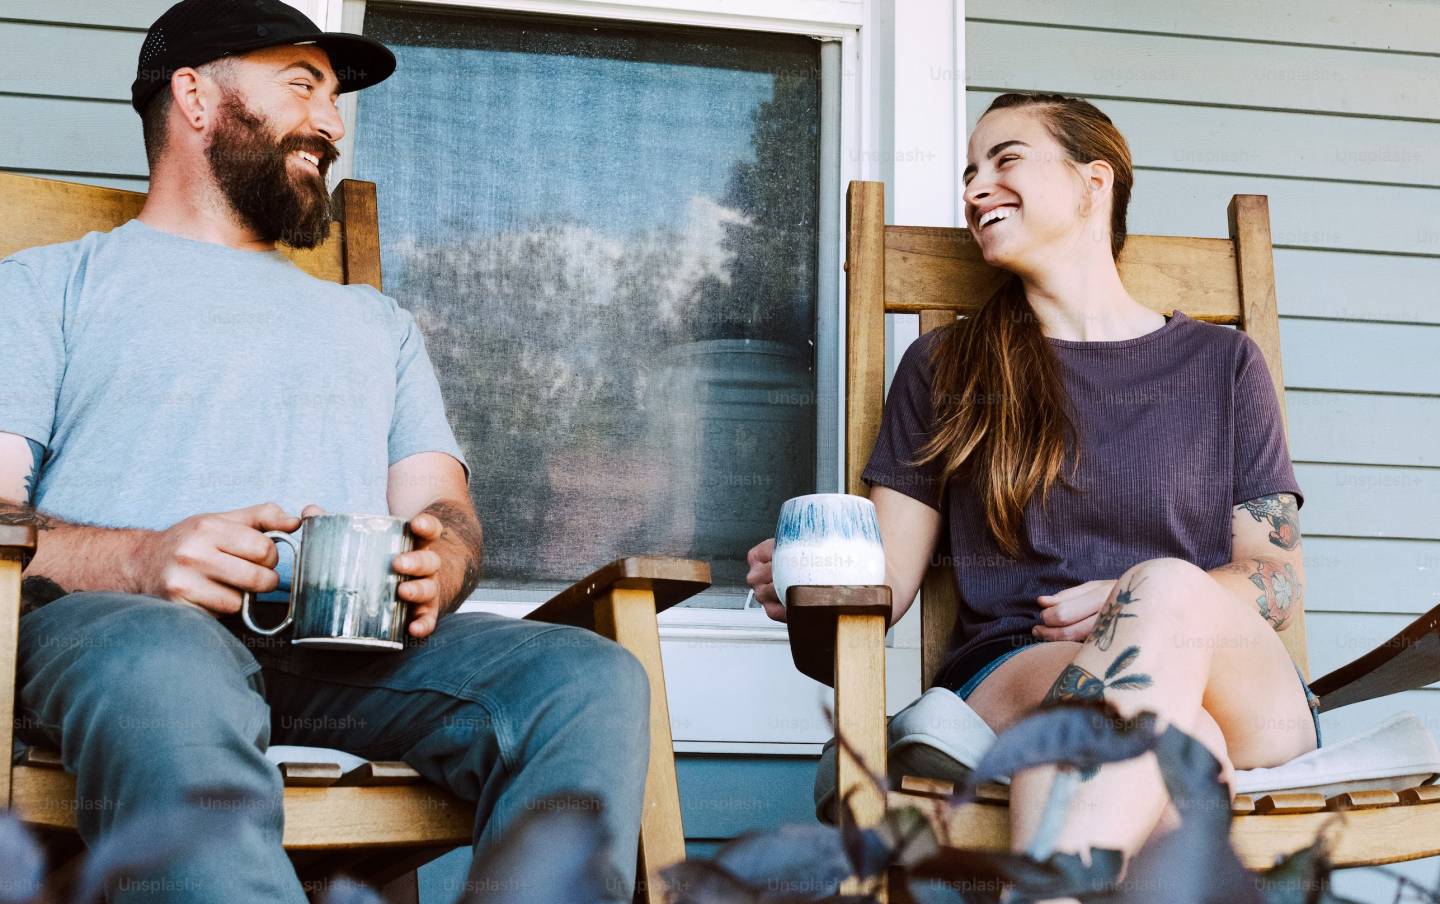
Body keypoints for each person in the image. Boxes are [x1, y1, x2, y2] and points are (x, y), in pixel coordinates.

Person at [0, 1, 650, 900]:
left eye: (335, 98)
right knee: (169, 661)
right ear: (194, 96)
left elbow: (443, 505)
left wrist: (445, 557)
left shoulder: (373, 323)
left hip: (341, 650)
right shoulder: (46, 287)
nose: (331, 123)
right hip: (120, 635)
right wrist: (144, 561)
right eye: (302, 86)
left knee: (585, 678)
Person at [746, 92, 1319, 899]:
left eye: (1006, 160)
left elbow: (1276, 580)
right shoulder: (947, 368)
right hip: (1023, 673)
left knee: (1162, 590)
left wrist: (1138, 601)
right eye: (969, 173)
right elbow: (884, 589)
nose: (977, 188)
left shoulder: (1222, 366)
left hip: (1241, 687)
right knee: (1175, 739)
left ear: (1095, 182)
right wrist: (813, 592)